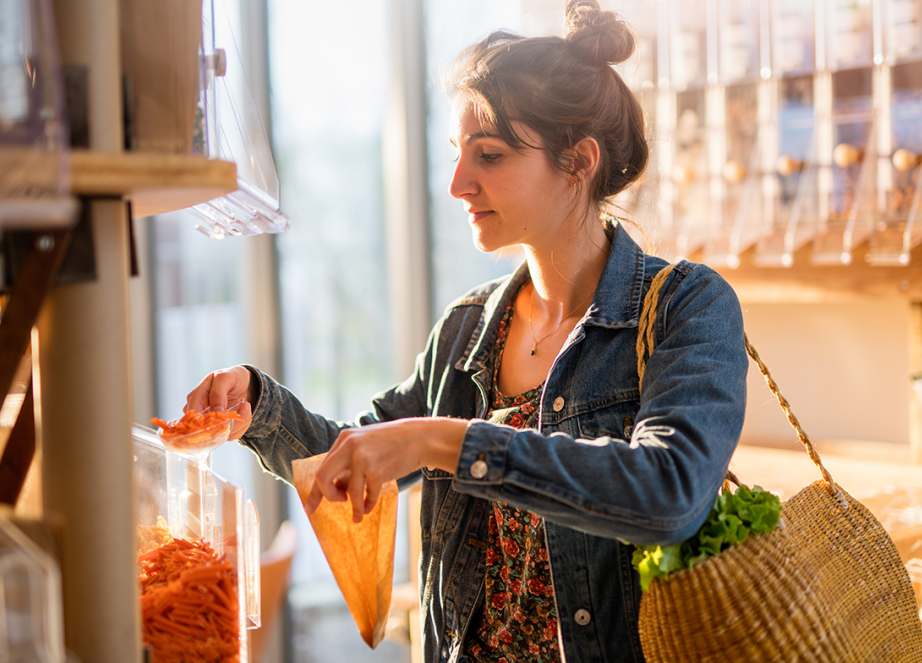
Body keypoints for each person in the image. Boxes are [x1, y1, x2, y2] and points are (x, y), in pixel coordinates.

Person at [184, 2, 748, 661]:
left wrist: (441, 440)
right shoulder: (468, 329)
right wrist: (257, 403)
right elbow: (353, 456)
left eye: (490, 155)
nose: (456, 183)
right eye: (457, 154)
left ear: (578, 162)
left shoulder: (686, 304)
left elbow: (669, 492)